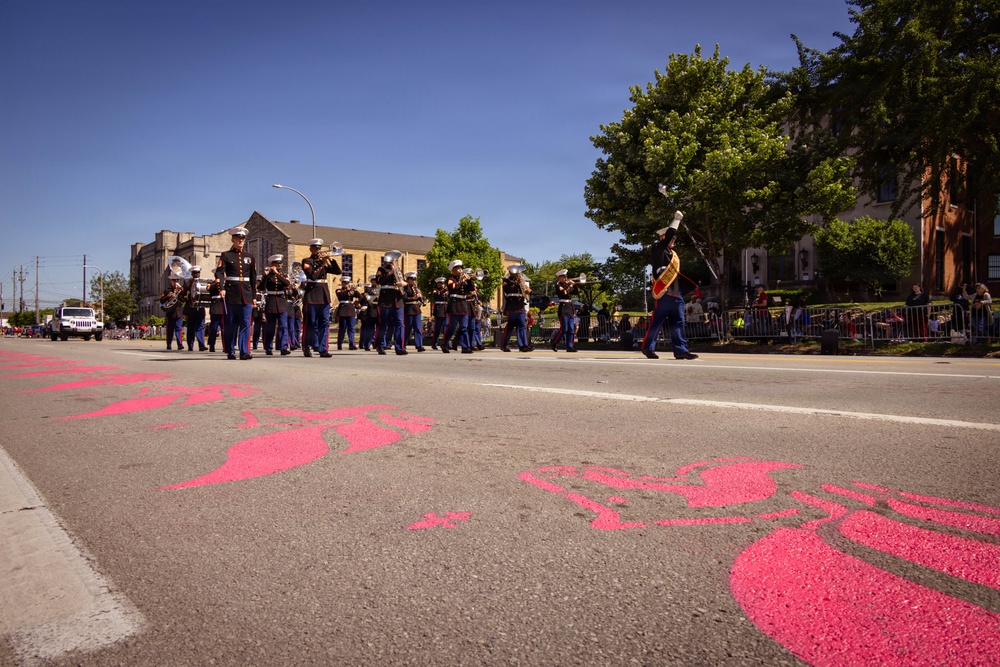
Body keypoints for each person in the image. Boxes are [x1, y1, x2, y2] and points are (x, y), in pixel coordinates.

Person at [642, 211, 698, 360]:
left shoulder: (673, 255)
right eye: (671, 238)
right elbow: (670, 234)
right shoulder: (658, 249)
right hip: (664, 292)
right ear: (663, 238)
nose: (673, 240)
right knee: (657, 322)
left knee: (678, 323)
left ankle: (681, 351)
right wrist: (676, 220)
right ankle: (648, 348)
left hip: (676, 293)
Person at [215, 226, 257, 360]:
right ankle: (231, 350)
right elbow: (220, 273)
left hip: (246, 294)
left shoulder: (249, 257)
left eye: (242, 238)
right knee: (231, 324)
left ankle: (244, 351)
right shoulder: (226, 255)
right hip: (232, 295)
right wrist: (221, 288)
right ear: (233, 239)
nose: (241, 240)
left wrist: (254, 296)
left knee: (245, 323)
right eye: (238, 238)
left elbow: (253, 278)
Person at [300, 238, 341, 358]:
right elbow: (312, 276)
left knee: (324, 323)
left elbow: (338, 271)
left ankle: (323, 348)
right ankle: (307, 346)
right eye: (315, 248)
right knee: (310, 324)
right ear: (311, 249)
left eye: (319, 248)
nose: (318, 250)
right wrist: (323, 263)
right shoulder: (307, 261)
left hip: (324, 296)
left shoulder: (323, 262)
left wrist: (330, 260)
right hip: (311, 296)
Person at [258, 254, 292, 355]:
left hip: (281, 302)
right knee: (270, 327)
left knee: (283, 326)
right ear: (273, 264)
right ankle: (268, 347)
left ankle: (283, 347)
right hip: (271, 302)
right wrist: (265, 275)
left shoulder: (282, 275)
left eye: (280, 263)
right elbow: (261, 288)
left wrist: (277, 273)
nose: (280, 265)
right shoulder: (268, 276)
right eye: (277, 263)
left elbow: (286, 284)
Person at [375, 252, 406, 355]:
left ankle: (399, 347)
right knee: (384, 324)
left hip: (398, 300)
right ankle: (380, 345)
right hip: (386, 300)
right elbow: (379, 280)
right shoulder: (382, 269)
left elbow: (404, 281)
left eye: (395, 259)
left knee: (400, 324)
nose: (394, 260)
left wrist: (404, 283)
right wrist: (390, 273)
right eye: (393, 258)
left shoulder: (399, 270)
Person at [500, 266, 532, 352]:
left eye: (518, 273)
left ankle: (523, 345)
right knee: (510, 326)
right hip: (511, 307)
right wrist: (516, 284)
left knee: (522, 326)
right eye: (515, 273)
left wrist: (528, 290)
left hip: (521, 306)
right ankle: (504, 345)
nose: (517, 274)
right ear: (511, 273)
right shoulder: (506, 281)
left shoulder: (521, 281)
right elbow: (507, 289)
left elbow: (526, 292)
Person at [442, 260, 471, 353]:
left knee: (464, 327)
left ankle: (465, 347)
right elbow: (452, 288)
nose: (460, 270)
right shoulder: (451, 279)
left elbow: (472, 289)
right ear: (453, 270)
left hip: (463, 304)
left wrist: (469, 280)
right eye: (458, 268)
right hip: (454, 305)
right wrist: (462, 281)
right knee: (452, 327)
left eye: (460, 268)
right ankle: (444, 344)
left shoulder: (465, 280)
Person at [550, 269, 579, 352]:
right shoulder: (558, 286)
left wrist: (574, 285)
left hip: (569, 308)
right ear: (560, 278)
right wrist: (570, 286)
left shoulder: (566, 285)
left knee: (571, 329)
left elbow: (575, 293)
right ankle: (554, 342)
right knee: (564, 329)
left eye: (566, 276)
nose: (566, 278)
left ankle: (570, 346)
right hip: (563, 308)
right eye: (564, 277)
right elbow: (564, 293)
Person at [183, 266, 208, 351]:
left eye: (198, 273)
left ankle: (201, 345)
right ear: (192, 274)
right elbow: (181, 296)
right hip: (191, 308)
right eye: (195, 273)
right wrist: (186, 297)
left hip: (200, 308)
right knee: (190, 328)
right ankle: (190, 345)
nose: (197, 274)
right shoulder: (187, 283)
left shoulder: (203, 282)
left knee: (200, 327)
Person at [334, 276, 360, 351]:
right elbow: (341, 296)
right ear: (342, 283)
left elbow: (360, 296)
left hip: (351, 310)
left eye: (348, 283)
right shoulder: (339, 290)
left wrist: (355, 290)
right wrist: (349, 290)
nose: (346, 284)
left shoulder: (351, 291)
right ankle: (339, 343)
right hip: (343, 311)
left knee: (351, 328)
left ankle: (352, 344)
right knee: (342, 328)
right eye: (345, 283)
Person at [159, 277, 184, 351]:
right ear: (170, 281)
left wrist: (181, 290)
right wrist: (168, 296)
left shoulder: (180, 290)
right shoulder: (167, 290)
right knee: (170, 330)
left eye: (177, 280)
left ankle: (180, 344)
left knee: (179, 329)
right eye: (174, 280)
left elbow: (184, 297)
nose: (176, 282)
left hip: (179, 312)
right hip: (170, 313)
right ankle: (169, 344)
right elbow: (161, 301)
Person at [358, 276, 380, 351]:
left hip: (380, 308)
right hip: (372, 308)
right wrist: (376, 296)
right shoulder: (368, 289)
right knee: (370, 328)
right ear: (371, 281)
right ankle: (367, 344)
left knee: (380, 327)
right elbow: (368, 298)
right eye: (374, 280)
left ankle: (379, 344)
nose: (376, 281)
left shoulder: (382, 288)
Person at [206, 277, 226, 353]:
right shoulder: (212, 285)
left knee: (225, 329)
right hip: (215, 308)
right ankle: (211, 345)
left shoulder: (225, 284)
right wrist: (217, 284)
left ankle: (225, 346)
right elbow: (209, 289)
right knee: (213, 329)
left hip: (223, 308)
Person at [429, 276, 448, 349]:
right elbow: (437, 295)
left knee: (446, 327)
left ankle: (446, 343)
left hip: (446, 310)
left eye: (443, 283)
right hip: (439, 310)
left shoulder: (446, 291)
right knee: (437, 328)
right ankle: (434, 344)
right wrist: (444, 290)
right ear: (438, 284)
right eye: (441, 283)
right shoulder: (435, 290)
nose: (442, 285)